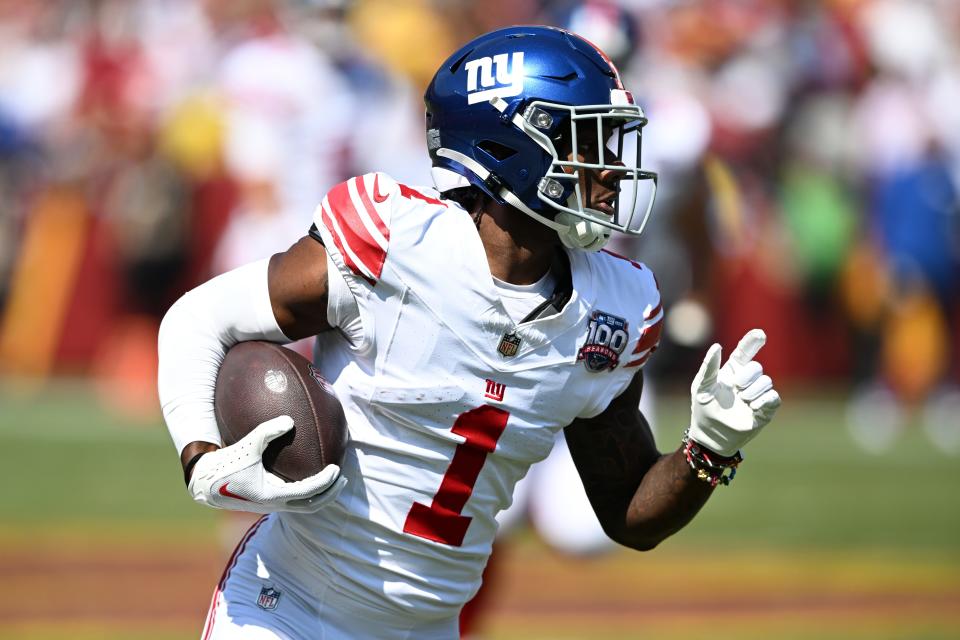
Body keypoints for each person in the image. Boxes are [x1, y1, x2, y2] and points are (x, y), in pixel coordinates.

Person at [158, 25, 781, 640]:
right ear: (513, 146)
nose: (613, 170)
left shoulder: (612, 310)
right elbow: (198, 318)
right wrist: (202, 454)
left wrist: (709, 448)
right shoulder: (395, 242)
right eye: (588, 142)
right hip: (285, 610)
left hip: (429, 629)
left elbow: (629, 515)